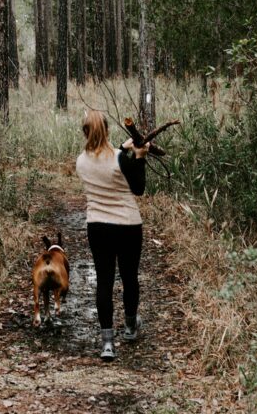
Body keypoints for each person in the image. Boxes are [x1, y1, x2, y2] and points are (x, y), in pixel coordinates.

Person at [75, 110, 149, 361]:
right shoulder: (121, 159)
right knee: (129, 277)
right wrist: (139, 156)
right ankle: (129, 327)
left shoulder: (80, 161)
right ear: (106, 130)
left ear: (86, 132)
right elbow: (138, 188)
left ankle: (108, 343)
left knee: (104, 281)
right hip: (128, 225)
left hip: (98, 227)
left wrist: (123, 148)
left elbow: (103, 164)